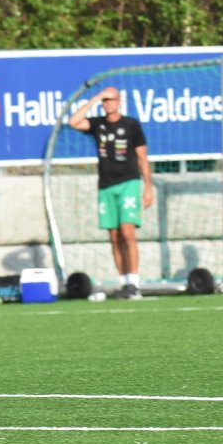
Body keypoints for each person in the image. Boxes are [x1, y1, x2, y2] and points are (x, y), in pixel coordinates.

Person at [67, 85, 153, 299]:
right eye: (105, 100)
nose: (108, 104)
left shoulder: (131, 124)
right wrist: (94, 98)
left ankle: (134, 282)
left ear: (119, 102)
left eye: (111, 99)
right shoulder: (98, 124)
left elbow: (142, 157)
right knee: (114, 236)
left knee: (127, 231)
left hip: (129, 183)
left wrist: (148, 188)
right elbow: (74, 121)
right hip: (106, 185)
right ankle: (123, 282)